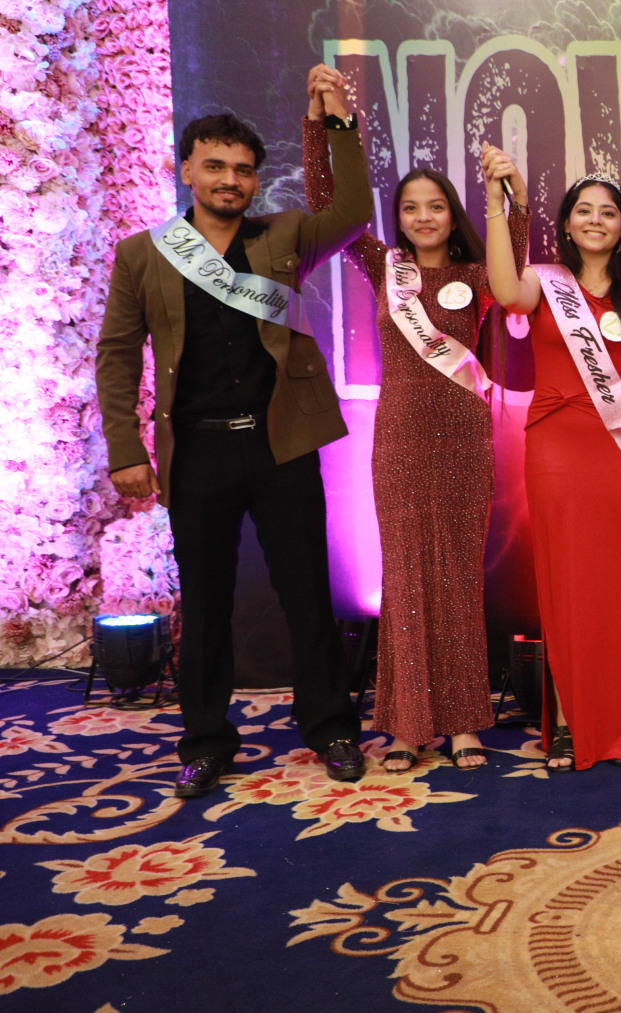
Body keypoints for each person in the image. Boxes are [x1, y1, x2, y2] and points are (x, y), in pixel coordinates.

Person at [95, 65, 373, 797]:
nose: (230, 180)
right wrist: (125, 449)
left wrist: (337, 121)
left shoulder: (284, 235)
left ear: (255, 181)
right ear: (187, 169)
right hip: (198, 452)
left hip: (282, 444)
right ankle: (206, 741)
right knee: (206, 602)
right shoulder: (142, 254)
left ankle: (332, 727)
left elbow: (352, 210)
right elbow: (118, 355)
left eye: (243, 170)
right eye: (215, 166)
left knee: (308, 595)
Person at [301, 105, 528, 773]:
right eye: (410, 208)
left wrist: (510, 189)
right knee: (402, 580)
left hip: (462, 438)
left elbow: (514, 254)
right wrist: (322, 129)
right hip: (399, 439)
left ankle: (462, 722)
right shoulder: (385, 267)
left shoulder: (477, 276)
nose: (424, 217)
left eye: (435, 206)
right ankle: (406, 726)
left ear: (451, 214)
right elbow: (327, 205)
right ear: (397, 218)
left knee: (457, 580)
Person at [482, 133, 621, 771]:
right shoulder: (542, 285)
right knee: (567, 585)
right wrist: (496, 203)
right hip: (556, 448)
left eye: (609, 212)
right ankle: (571, 722)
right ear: (567, 226)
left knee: (620, 587)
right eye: (584, 211)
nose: (596, 220)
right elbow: (502, 287)